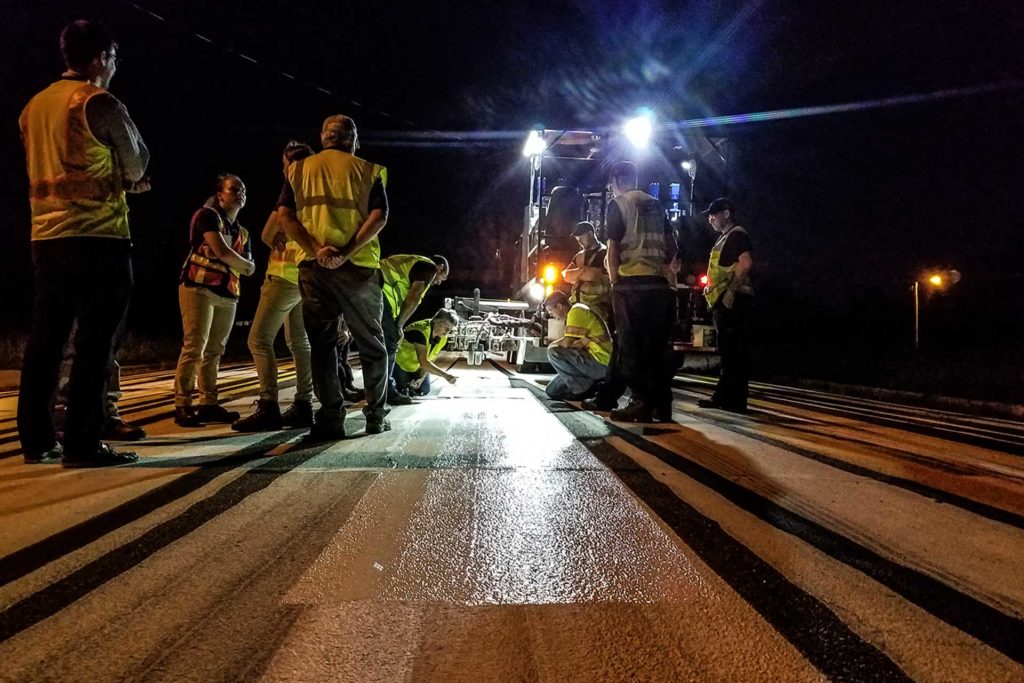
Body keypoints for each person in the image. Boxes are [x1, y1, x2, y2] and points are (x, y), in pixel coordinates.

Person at [18, 20, 149, 467]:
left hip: (46, 237)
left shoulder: (33, 107)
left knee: (46, 342)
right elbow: (136, 164)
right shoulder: (99, 101)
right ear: (100, 58)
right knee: (95, 345)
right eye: (113, 59)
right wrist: (124, 176)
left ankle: (35, 439)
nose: (113, 68)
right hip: (99, 237)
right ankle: (83, 442)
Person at [275, 114, 391, 438]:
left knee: (322, 345)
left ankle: (330, 417)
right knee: (371, 343)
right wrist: (347, 252)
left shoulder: (297, 170)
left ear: (324, 137)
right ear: (352, 138)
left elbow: (284, 215)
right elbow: (379, 217)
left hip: (314, 269)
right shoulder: (367, 170)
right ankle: (376, 415)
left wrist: (315, 249)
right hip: (359, 268)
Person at [582, 161, 677, 422]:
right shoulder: (656, 205)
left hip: (630, 285)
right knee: (653, 345)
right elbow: (673, 247)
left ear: (615, 181)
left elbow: (612, 250)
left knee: (631, 346)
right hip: (657, 286)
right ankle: (661, 405)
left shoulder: (620, 204)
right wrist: (662, 271)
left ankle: (640, 402)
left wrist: (614, 283)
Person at [232, 142, 316, 432]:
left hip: (282, 275)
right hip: (306, 276)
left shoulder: (292, 189)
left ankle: (268, 405)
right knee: (300, 344)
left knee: (258, 340)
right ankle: (304, 405)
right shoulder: (319, 194)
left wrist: (275, 238)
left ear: (289, 165)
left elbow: (268, 233)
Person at [173, 174, 255, 426]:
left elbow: (249, 268)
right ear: (220, 195)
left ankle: (208, 403)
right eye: (234, 189)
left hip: (228, 294)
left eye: (243, 190)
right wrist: (232, 258)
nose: (240, 193)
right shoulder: (207, 216)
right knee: (194, 346)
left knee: (215, 351)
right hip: (199, 287)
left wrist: (229, 257)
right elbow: (224, 252)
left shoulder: (241, 231)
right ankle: (183, 404)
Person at [699, 197, 754, 412]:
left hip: (734, 302)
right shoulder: (725, 238)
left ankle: (730, 399)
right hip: (726, 302)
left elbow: (746, 264)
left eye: (714, 214)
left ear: (727, 214)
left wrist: (730, 292)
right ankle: (729, 398)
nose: (710, 219)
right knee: (730, 353)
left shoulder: (736, 235)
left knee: (733, 353)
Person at [380, 254, 449, 403]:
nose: (439, 282)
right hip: (380, 290)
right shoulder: (428, 268)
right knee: (390, 344)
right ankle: (388, 393)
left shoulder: (414, 264)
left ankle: (375, 390)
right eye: (443, 277)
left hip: (374, 287)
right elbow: (414, 297)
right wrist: (399, 325)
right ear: (440, 267)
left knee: (376, 346)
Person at [542, 291, 611, 400]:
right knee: (552, 391)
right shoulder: (573, 314)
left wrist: (551, 345)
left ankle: (583, 389)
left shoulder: (576, 312)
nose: (551, 315)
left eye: (551, 311)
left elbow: (566, 343)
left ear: (559, 306)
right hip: (590, 362)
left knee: (553, 352)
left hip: (601, 363)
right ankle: (592, 385)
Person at [393, 308, 459, 396]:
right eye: (446, 327)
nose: (447, 332)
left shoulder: (442, 338)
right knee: (401, 390)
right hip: (399, 364)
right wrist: (446, 376)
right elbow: (424, 362)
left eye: (450, 329)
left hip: (416, 367)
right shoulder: (420, 331)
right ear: (436, 320)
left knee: (424, 390)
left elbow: (429, 360)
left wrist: (421, 378)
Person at [561, 221, 611, 321]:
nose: (579, 241)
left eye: (581, 237)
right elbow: (566, 275)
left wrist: (576, 274)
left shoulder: (605, 254)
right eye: (577, 239)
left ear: (591, 234)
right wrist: (583, 269)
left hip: (597, 307)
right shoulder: (579, 256)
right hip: (577, 305)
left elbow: (592, 276)